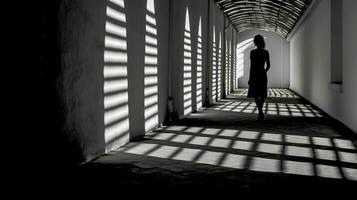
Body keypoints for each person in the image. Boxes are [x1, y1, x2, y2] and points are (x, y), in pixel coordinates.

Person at [247, 35, 270, 121]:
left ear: (255, 42)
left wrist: (250, 78)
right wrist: (264, 71)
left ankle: (260, 112)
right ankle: (260, 111)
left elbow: (251, 67)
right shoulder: (266, 52)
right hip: (262, 75)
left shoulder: (252, 52)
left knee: (255, 94)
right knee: (262, 94)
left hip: (254, 75)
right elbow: (268, 66)